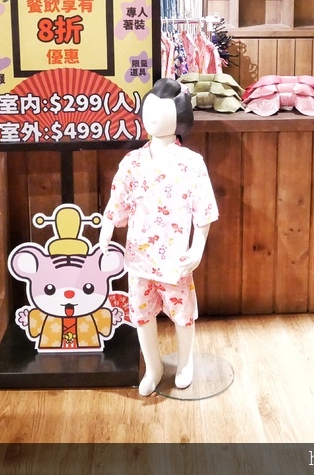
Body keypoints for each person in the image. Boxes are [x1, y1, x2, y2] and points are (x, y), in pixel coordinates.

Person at [99, 78, 218, 396]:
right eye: (149, 109)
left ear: (180, 118)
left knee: (182, 314)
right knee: (141, 315)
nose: (152, 116)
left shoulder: (191, 163)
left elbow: (203, 210)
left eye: (162, 111)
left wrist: (198, 246)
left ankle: (185, 362)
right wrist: (105, 233)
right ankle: (152, 367)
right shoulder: (132, 162)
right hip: (138, 258)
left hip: (176, 259)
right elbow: (117, 203)